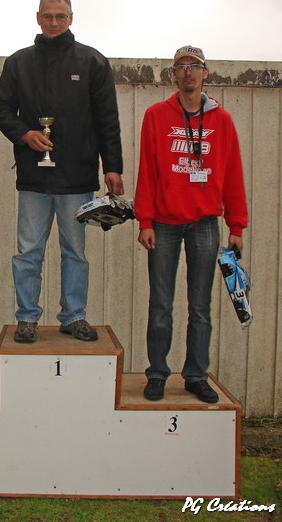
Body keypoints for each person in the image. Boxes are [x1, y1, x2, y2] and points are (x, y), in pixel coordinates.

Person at [0, 0, 124, 344]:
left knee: (75, 252)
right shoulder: (18, 62)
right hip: (33, 178)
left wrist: (112, 167)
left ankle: (74, 316)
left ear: (71, 18)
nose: (54, 22)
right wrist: (25, 134)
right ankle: (26, 318)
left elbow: (108, 119)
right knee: (28, 252)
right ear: (37, 18)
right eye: (48, 16)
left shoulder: (92, 61)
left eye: (60, 16)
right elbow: (1, 109)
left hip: (78, 178)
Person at [134, 45, 248, 404]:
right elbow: (147, 171)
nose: (188, 71)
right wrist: (145, 220)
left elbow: (233, 174)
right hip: (163, 224)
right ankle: (157, 373)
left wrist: (236, 226)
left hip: (205, 224)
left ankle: (196, 375)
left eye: (194, 65)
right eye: (180, 66)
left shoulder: (222, 120)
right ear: (173, 75)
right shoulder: (156, 115)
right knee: (161, 304)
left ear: (205, 73)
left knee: (200, 307)